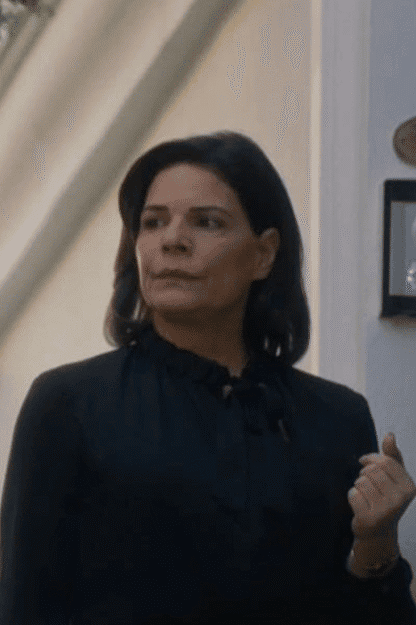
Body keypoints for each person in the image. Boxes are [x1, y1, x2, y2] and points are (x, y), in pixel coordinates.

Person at [1, 130, 415, 624]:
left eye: (207, 222)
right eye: (153, 222)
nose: (172, 240)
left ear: (263, 254)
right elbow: (21, 606)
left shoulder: (337, 419)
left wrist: (376, 542)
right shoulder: (67, 404)